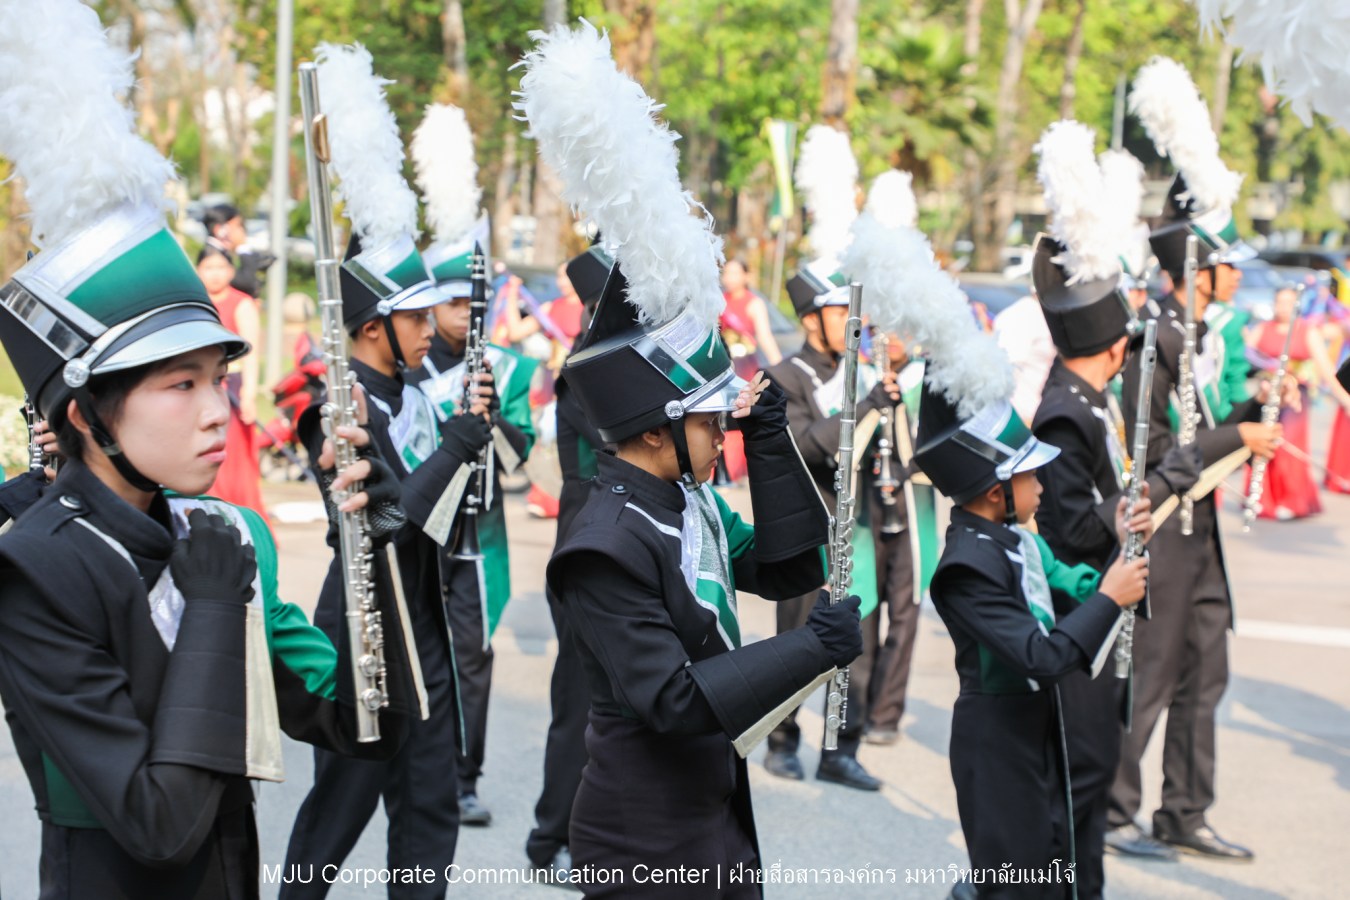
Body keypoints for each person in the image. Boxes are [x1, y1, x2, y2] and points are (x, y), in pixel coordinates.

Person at [0, 9, 421, 894]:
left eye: (219, 380)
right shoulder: (36, 572)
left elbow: (363, 725)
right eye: (178, 385)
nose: (216, 413)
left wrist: (374, 551)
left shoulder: (227, 534)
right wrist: (213, 601)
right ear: (85, 413)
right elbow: (157, 823)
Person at [520, 24, 857, 896]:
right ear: (655, 427)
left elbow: (782, 570)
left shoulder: (683, 499)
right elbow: (669, 700)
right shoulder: (605, 540)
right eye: (710, 417)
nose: (721, 431)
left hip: (707, 812)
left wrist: (773, 443)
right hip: (642, 842)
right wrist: (811, 654)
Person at [280, 43, 494, 900]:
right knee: (340, 810)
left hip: (427, 623)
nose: (429, 334)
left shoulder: (406, 386)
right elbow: (392, 512)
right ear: (373, 327)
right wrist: (460, 441)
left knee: (431, 807)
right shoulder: (338, 405)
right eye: (414, 321)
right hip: (368, 622)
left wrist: (471, 426)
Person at [1105, 175, 1283, 862]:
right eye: (1228, 261)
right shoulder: (1153, 336)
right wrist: (1237, 438)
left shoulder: (1200, 335)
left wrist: (1256, 406)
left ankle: (1183, 810)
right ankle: (1116, 808)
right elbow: (1152, 453)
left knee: (1205, 674)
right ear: (1196, 267)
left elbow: (1206, 433)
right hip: (1164, 523)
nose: (1239, 273)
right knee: (1147, 674)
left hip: (1200, 529)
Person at [916, 380, 1149, 898]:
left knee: (1055, 873)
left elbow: (1079, 587)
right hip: (997, 742)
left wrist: (1125, 546)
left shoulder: (1018, 538)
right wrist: (1112, 596)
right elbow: (1040, 655)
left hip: (1039, 730)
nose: (1042, 485)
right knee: (1016, 884)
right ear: (997, 489)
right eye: (1030, 474)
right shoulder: (965, 566)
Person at [1029, 232, 1199, 900]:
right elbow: (1067, 528)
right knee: (1079, 776)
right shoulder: (1065, 414)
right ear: (1115, 349)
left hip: (1107, 614)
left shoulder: (1093, 400)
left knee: (1093, 776)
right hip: (1079, 616)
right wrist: (1150, 487)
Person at [412, 240, 538, 827]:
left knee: (472, 662)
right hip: (418, 533)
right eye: (455, 302)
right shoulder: (407, 361)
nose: (467, 312)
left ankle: (464, 779)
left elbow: (520, 458)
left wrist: (491, 411)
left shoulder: (506, 367)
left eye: (476, 303)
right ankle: (412, 766)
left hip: (476, 537)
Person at [761, 261, 899, 791]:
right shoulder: (785, 376)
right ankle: (782, 741)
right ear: (813, 319)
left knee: (859, 647)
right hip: (805, 534)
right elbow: (803, 445)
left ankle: (842, 749)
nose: (852, 322)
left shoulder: (861, 376)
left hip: (857, 531)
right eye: (841, 311)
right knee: (795, 645)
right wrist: (864, 405)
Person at [525, 245, 611, 882]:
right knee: (578, 702)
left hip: (628, 547)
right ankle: (549, 838)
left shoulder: (627, 361)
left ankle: (601, 834)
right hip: (586, 548)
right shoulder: (585, 368)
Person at [1246, 286, 1350, 518]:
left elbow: (1326, 371)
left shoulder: (1307, 331)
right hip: (1267, 394)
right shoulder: (1263, 328)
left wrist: (1344, 399)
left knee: (1288, 447)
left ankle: (1290, 499)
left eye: (1288, 302)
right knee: (1263, 445)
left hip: (1295, 399)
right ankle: (1261, 497)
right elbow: (1246, 353)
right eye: (1279, 302)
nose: (1283, 307)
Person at [196, 245, 267, 518]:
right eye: (208, 268)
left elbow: (251, 351)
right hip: (203, 387)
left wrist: (249, 393)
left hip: (233, 388)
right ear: (199, 271)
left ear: (231, 271)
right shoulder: (197, 300)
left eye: (220, 268)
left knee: (232, 455)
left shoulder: (241, 303)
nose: (214, 274)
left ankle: (241, 516)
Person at [202, 203, 274, 299]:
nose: (242, 231)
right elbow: (247, 282)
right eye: (238, 225)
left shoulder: (216, 252)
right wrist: (242, 246)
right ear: (220, 229)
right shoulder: (213, 255)